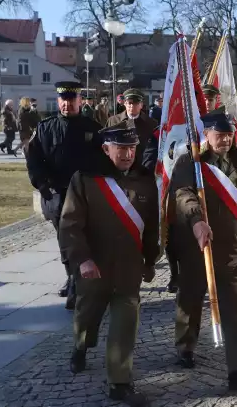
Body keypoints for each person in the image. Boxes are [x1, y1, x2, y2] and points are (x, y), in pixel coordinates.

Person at [60, 120, 158, 407]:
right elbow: (70, 225)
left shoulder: (144, 180)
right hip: (94, 267)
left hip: (128, 268)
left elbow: (151, 226)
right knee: (87, 317)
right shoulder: (85, 179)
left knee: (125, 323)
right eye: (121, 148)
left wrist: (150, 260)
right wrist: (83, 259)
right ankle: (80, 346)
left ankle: (120, 383)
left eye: (132, 148)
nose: (128, 154)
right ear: (106, 149)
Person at [169, 110, 237, 389]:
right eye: (219, 135)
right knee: (191, 299)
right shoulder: (192, 162)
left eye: (229, 135)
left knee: (234, 308)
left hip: (233, 248)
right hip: (199, 247)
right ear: (206, 135)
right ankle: (185, 346)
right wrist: (197, 221)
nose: (225, 140)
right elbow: (183, 195)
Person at [26, 81, 103, 310]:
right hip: (56, 193)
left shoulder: (92, 127)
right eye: (63, 100)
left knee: (83, 235)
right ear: (58, 101)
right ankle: (72, 277)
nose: (67, 104)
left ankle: (77, 280)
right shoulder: (45, 128)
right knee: (64, 238)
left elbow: (101, 160)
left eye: (71, 99)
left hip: (84, 192)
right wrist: (42, 184)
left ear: (80, 100)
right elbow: (33, 159)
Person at [106, 88, 158, 165]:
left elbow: (154, 149)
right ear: (125, 104)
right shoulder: (113, 121)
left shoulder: (151, 123)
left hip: (142, 167)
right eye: (129, 103)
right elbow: (106, 144)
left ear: (141, 105)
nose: (131, 106)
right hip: (118, 166)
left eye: (135, 103)